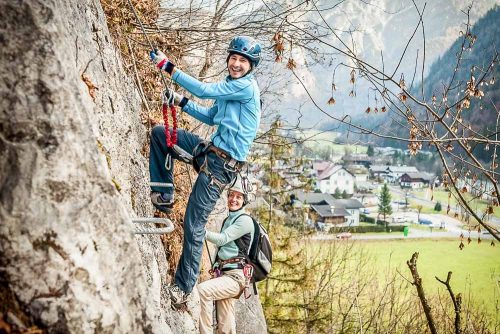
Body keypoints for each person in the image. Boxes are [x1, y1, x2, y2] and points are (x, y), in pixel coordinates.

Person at [148, 36, 262, 309]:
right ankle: (163, 195)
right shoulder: (233, 87)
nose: (236, 64)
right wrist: (179, 101)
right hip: (211, 152)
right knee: (161, 135)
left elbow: (203, 90)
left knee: (194, 224)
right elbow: (211, 117)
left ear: (250, 66)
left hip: (221, 166)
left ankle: (183, 289)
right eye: (233, 58)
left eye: (242, 61)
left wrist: (168, 67)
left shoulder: (245, 88)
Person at [198, 175, 254, 334]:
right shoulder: (228, 220)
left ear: (245, 200)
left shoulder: (244, 221)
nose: (233, 199)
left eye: (238, 197)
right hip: (225, 274)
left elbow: (223, 239)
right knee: (226, 324)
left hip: (235, 277)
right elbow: (223, 248)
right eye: (231, 195)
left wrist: (201, 232)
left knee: (203, 291)